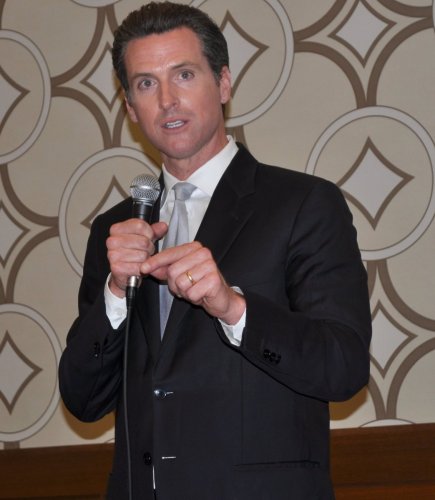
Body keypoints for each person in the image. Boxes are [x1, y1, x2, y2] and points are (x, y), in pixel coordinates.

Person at [59, 2, 372, 499]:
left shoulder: (303, 204)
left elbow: (344, 367)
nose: (167, 100)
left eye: (184, 75)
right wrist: (115, 295)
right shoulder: (114, 232)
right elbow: (83, 400)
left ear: (223, 83)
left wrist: (234, 308)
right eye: (146, 83)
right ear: (130, 108)